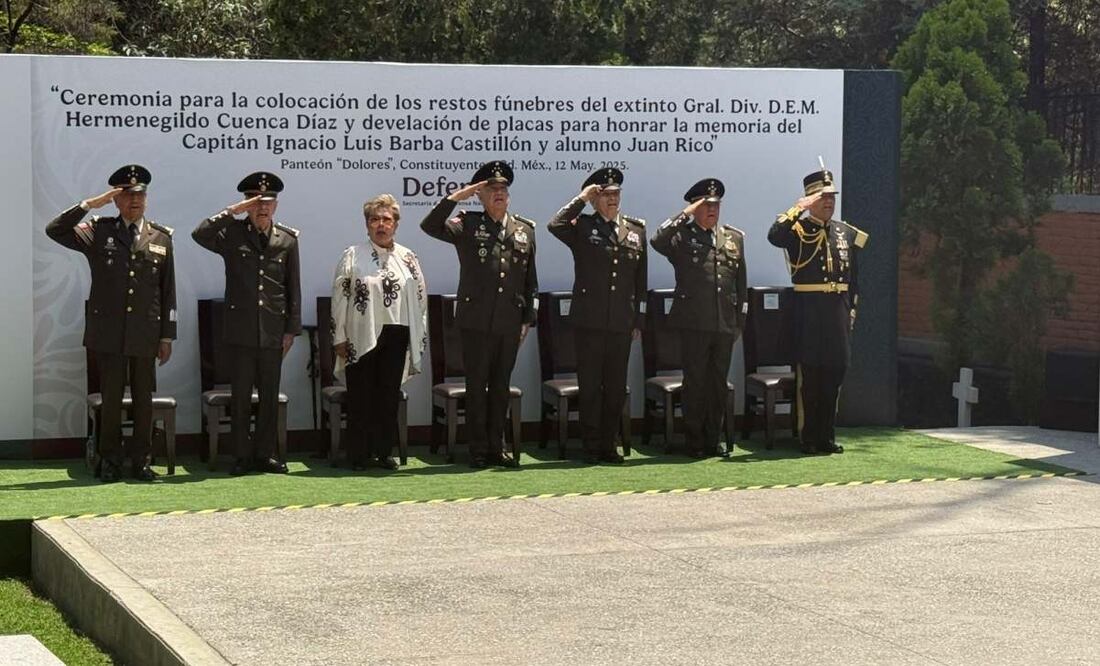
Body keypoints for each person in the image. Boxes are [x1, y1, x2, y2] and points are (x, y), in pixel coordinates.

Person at [45, 164, 176, 482]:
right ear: (116, 200)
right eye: (127, 196)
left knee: (144, 400)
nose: (135, 201)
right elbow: (55, 230)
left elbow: (167, 290)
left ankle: (141, 461)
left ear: (146, 198)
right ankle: (111, 461)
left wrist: (166, 336)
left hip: (145, 332)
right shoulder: (99, 231)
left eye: (140, 195)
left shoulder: (161, 237)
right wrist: (90, 204)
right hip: (109, 333)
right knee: (112, 399)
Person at [419, 160, 537, 468]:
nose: (499, 193)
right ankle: (478, 450)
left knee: (500, 387)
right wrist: (457, 197)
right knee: (477, 385)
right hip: (476, 321)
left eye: (503, 189)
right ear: (480, 195)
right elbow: (430, 226)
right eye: (491, 189)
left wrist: (528, 319)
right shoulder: (468, 224)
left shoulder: (524, 230)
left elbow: (530, 280)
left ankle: (498, 447)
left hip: (509, 322)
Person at [193, 171, 301, 475]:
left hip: (272, 331)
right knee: (240, 396)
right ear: (247, 205)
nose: (262, 208)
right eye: (255, 202)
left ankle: (265, 454)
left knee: (269, 396)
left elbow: (293, 286)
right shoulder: (232, 234)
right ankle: (241, 455)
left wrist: (291, 330)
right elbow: (200, 234)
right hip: (240, 330)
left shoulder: (287, 239)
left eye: (267, 202)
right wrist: (232, 212)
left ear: (275, 205)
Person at [766, 166, 868, 455]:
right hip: (809, 313)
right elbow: (774, 236)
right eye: (822, 197)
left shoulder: (845, 232)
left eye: (831, 197)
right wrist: (798, 208)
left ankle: (827, 436)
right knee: (810, 378)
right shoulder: (797, 230)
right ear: (810, 200)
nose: (829, 202)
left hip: (837, 313)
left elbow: (854, 278)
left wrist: (851, 311)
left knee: (835, 374)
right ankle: (808, 437)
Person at [547, 168, 645, 464]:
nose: (612, 199)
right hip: (589, 321)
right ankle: (591, 445)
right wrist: (582, 198)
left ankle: (608, 444)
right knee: (590, 386)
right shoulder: (583, 227)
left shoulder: (635, 230)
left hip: (621, 322)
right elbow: (555, 225)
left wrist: (638, 320)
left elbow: (640, 280)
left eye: (616, 194)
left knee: (615, 387)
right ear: (594, 200)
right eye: (605, 195)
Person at [651, 178, 746, 458]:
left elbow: (740, 284)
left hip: (724, 324)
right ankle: (694, 441)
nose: (712, 209)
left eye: (716, 204)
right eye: (706, 205)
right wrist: (685, 214)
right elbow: (657, 240)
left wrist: (739, 322)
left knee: (717, 384)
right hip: (693, 323)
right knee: (695, 384)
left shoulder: (733, 238)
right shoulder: (682, 237)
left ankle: (712, 440)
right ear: (695, 207)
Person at [330, 194, 427, 471]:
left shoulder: (408, 257)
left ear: (395, 224)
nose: (381, 225)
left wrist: (417, 337)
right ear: (367, 224)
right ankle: (358, 455)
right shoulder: (352, 255)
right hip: (360, 334)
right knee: (361, 397)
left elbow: (420, 298)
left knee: (387, 397)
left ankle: (384, 452)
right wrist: (339, 337)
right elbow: (340, 297)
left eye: (386, 219)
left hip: (397, 334)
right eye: (375, 219)